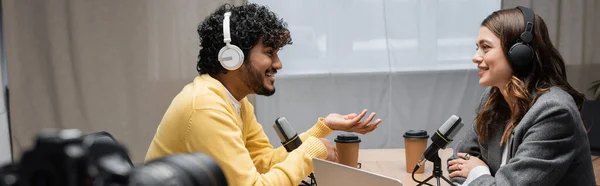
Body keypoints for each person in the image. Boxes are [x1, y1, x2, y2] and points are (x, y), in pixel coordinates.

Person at [144, 3, 382, 186]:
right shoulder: (206, 107)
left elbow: (264, 163)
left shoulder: (234, 101)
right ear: (232, 56)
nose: (278, 64)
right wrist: (312, 151)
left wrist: (323, 128)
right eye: (269, 52)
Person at [447, 6, 596, 185]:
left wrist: (478, 171)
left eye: (485, 48)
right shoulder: (494, 97)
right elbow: (457, 162)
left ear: (519, 53)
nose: (475, 57)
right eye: (477, 48)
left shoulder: (554, 111)